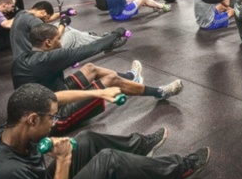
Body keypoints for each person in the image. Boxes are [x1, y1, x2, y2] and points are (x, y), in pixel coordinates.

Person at [0, 83, 210, 179]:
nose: (55, 123)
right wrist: (64, 160)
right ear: (33, 119)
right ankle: (181, 169)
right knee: (110, 161)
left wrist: (101, 92)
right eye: (52, 119)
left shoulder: (11, 129)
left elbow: (56, 98)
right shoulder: (6, 174)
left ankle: (141, 147)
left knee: (86, 139)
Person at [11, 23, 184, 134]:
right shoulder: (47, 59)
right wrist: (116, 34)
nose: (61, 42)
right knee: (109, 81)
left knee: (90, 69)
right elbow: (90, 49)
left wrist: (63, 22)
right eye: (58, 39)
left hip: (54, 93)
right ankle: (159, 92)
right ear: (48, 43)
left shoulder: (25, 58)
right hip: (55, 117)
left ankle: (132, 77)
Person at [10, 0, 127, 59]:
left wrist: (64, 13)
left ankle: (95, 37)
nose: (46, 20)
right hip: (36, 59)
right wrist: (64, 23)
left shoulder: (22, 13)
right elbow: (53, 37)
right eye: (46, 17)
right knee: (72, 35)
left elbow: (48, 19)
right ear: (42, 12)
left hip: (25, 56)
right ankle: (107, 42)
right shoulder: (32, 20)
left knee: (60, 25)